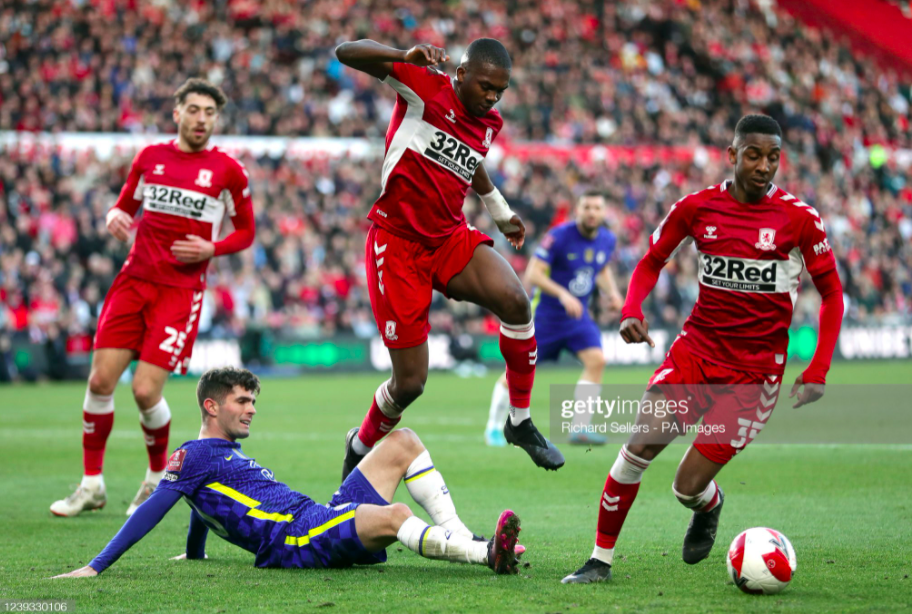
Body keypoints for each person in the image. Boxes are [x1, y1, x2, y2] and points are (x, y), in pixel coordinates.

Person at [562, 115, 844, 583]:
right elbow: (652, 260)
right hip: (695, 354)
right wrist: (632, 307)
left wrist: (818, 368)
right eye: (753, 155)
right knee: (636, 448)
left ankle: (709, 505)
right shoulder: (696, 208)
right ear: (732, 156)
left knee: (686, 487)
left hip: (753, 378)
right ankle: (599, 561)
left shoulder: (799, 219)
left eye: (772, 157)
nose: (763, 166)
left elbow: (833, 294)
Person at [333, 38, 564, 479]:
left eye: (501, 90)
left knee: (517, 302)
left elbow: (471, 159)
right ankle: (360, 443)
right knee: (410, 384)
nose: (493, 97)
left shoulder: (488, 121)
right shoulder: (422, 86)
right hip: (397, 245)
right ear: (461, 74)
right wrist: (403, 55)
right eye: (486, 86)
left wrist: (500, 211)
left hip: (448, 239)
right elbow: (346, 51)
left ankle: (519, 422)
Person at [51, 367, 523, 577]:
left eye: (254, 401)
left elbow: (198, 504)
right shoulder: (193, 455)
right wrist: (96, 567)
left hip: (317, 517)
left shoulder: (212, 459)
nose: (251, 410)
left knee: (403, 440)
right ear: (211, 406)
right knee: (396, 513)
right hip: (295, 540)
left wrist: (195, 555)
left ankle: (467, 536)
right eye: (242, 401)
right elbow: (153, 509)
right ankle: (484, 556)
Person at [49, 79, 256, 517]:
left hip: (180, 292)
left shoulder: (228, 171)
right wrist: (115, 216)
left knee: (145, 391)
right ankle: (91, 486)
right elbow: (123, 206)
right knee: (99, 383)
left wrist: (210, 249)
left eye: (210, 112)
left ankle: (157, 476)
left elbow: (246, 232)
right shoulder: (150, 158)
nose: (202, 119)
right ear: (177, 112)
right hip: (133, 280)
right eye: (194, 109)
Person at [485, 192, 623, 446]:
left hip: (577, 317)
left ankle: (580, 428)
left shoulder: (607, 239)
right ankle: (494, 427)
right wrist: (563, 294)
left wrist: (613, 294)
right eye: (587, 207)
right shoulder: (558, 236)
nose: (592, 212)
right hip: (546, 317)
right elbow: (533, 274)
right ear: (577, 210)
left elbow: (601, 267)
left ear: (604, 213)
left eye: (597, 208)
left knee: (597, 360)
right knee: (516, 372)